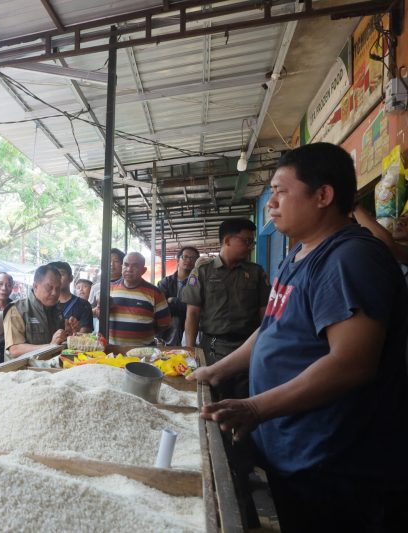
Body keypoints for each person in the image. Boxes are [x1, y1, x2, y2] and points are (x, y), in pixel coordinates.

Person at [189, 142, 408, 532]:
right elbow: (271, 327)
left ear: (323, 195)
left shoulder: (350, 258)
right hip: (294, 451)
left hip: (336, 463)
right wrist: (215, 371)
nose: (271, 203)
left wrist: (256, 408)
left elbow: (351, 363)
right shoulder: (297, 255)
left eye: (281, 190)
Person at [182, 218, 269, 378]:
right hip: (212, 349)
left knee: (245, 396)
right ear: (228, 240)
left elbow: (265, 314)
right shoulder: (202, 272)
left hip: (247, 348)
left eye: (252, 242)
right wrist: (190, 349)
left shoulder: (256, 272)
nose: (250, 247)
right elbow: (192, 314)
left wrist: (265, 346)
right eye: (247, 241)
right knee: (213, 396)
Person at [3, 264, 78, 358]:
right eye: (49, 288)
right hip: (25, 369)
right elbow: (14, 350)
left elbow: (59, 342)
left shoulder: (56, 310)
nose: (54, 293)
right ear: (35, 286)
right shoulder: (18, 310)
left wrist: (69, 334)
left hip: (52, 365)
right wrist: (50, 346)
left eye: (58, 288)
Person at [105, 252, 171, 347]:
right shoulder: (110, 288)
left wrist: (144, 332)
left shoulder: (155, 293)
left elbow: (164, 324)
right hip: (113, 349)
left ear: (143, 270)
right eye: (126, 265)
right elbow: (100, 316)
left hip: (144, 351)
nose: (129, 269)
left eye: (135, 266)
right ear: (122, 266)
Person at [157, 246, 200, 346]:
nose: (188, 260)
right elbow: (161, 307)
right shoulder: (165, 282)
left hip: (192, 330)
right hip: (167, 333)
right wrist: (185, 305)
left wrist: (174, 301)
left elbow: (199, 309)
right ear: (178, 260)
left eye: (192, 258)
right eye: (185, 257)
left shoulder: (198, 283)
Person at [49, 261, 93, 333]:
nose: (57, 278)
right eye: (54, 275)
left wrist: (75, 332)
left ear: (71, 278)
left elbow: (84, 336)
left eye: (61, 274)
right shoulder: (46, 303)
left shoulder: (83, 305)